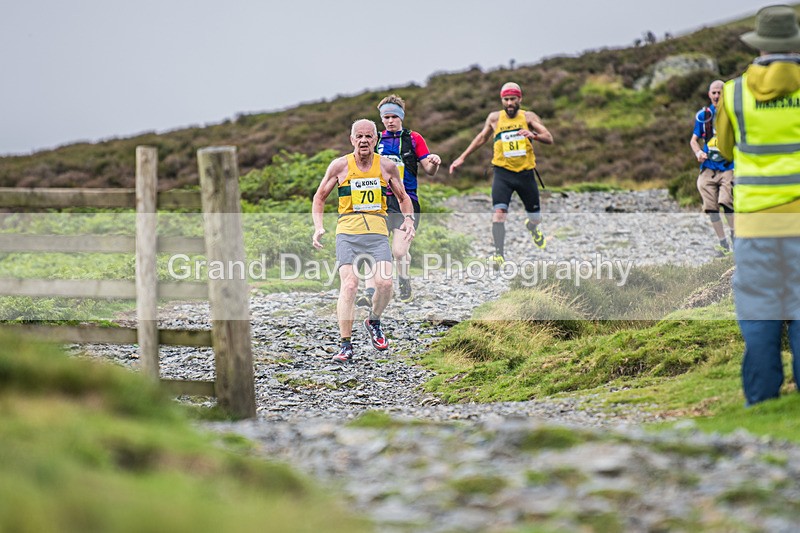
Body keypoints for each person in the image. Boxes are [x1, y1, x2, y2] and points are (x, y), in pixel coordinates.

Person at [716, 4, 800, 405]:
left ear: (761, 45)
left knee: (761, 305)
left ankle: (762, 399)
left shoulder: (732, 92)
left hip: (755, 222)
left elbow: (726, 148)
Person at [312, 119, 416, 363]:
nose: (364, 141)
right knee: (350, 285)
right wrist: (318, 227)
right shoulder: (340, 166)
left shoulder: (387, 166)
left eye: (369, 136)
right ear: (351, 140)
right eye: (359, 136)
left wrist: (409, 219)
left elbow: (403, 198)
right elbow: (319, 198)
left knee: (385, 283)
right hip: (347, 232)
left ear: (376, 140)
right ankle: (345, 345)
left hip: (377, 232)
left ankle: (374, 320)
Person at [449, 82, 554, 266]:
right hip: (502, 173)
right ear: (502, 100)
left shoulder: (528, 117)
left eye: (513, 99)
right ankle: (499, 255)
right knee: (499, 213)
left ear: (520, 99)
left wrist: (533, 135)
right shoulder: (494, 118)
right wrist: (462, 157)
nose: (509, 103)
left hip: (526, 174)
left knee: (536, 217)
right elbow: (482, 137)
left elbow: (549, 138)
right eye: (506, 99)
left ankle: (532, 227)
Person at [357, 94, 441, 306]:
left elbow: (429, 170)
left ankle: (404, 281)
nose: (390, 120)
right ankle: (368, 291)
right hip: (381, 202)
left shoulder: (414, 139)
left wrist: (434, 162)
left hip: (407, 201)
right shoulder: (376, 139)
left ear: (401, 117)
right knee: (371, 246)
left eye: (394, 116)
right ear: (381, 119)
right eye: (386, 117)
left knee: (399, 251)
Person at [689, 80, 735, 255]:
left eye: (720, 92)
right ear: (709, 94)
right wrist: (698, 153)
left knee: (726, 202)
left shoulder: (732, 113)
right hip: (708, 166)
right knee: (711, 206)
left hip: (728, 166)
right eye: (714, 92)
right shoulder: (703, 116)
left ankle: (735, 239)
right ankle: (723, 244)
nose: (716, 96)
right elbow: (694, 140)